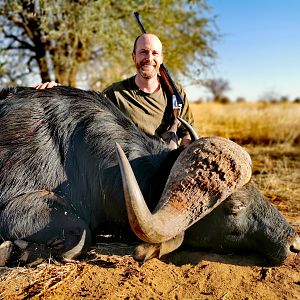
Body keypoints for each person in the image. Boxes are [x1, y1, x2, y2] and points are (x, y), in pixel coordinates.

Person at [36, 33, 195, 147]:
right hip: (133, 171)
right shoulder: (115, 93)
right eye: (143, 52)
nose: (149, 58)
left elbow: (187, 132)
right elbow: (84, 105)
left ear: (161, 59)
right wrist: (57, 91)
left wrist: (182, 151)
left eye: (155, 53)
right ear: (133, 57)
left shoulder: (176, 94)